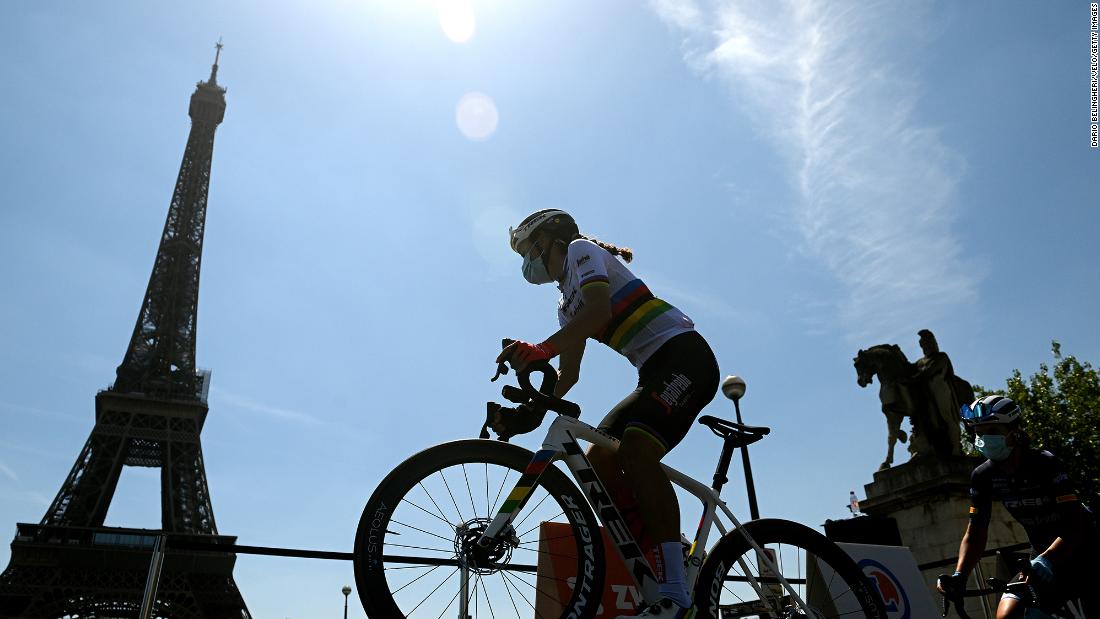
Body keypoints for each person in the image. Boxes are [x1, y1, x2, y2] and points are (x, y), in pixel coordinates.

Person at [495, 209, 719, 618]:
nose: (527, 264)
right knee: (600, 459)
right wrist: (527, 414)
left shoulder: (582, 251)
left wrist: (541, 349)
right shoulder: (564, 306)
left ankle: (674, 588)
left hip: (686, 357)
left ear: (550, 240)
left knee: (636, 451)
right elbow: (570, 375)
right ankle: (665, 551)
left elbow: (599, 312)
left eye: (529, 251)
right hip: (652, 373)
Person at [937, 395, 1098, 618]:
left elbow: (1076, 523)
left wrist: (1049, 558)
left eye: (992, 431)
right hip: (1041, 556)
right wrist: (960, 575)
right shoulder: (983, 476)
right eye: (978, 433)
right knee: (1008, 615)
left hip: (1083, 549)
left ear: (1013, 432)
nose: (984, 439)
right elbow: (976, 532)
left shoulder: (1044, 463)